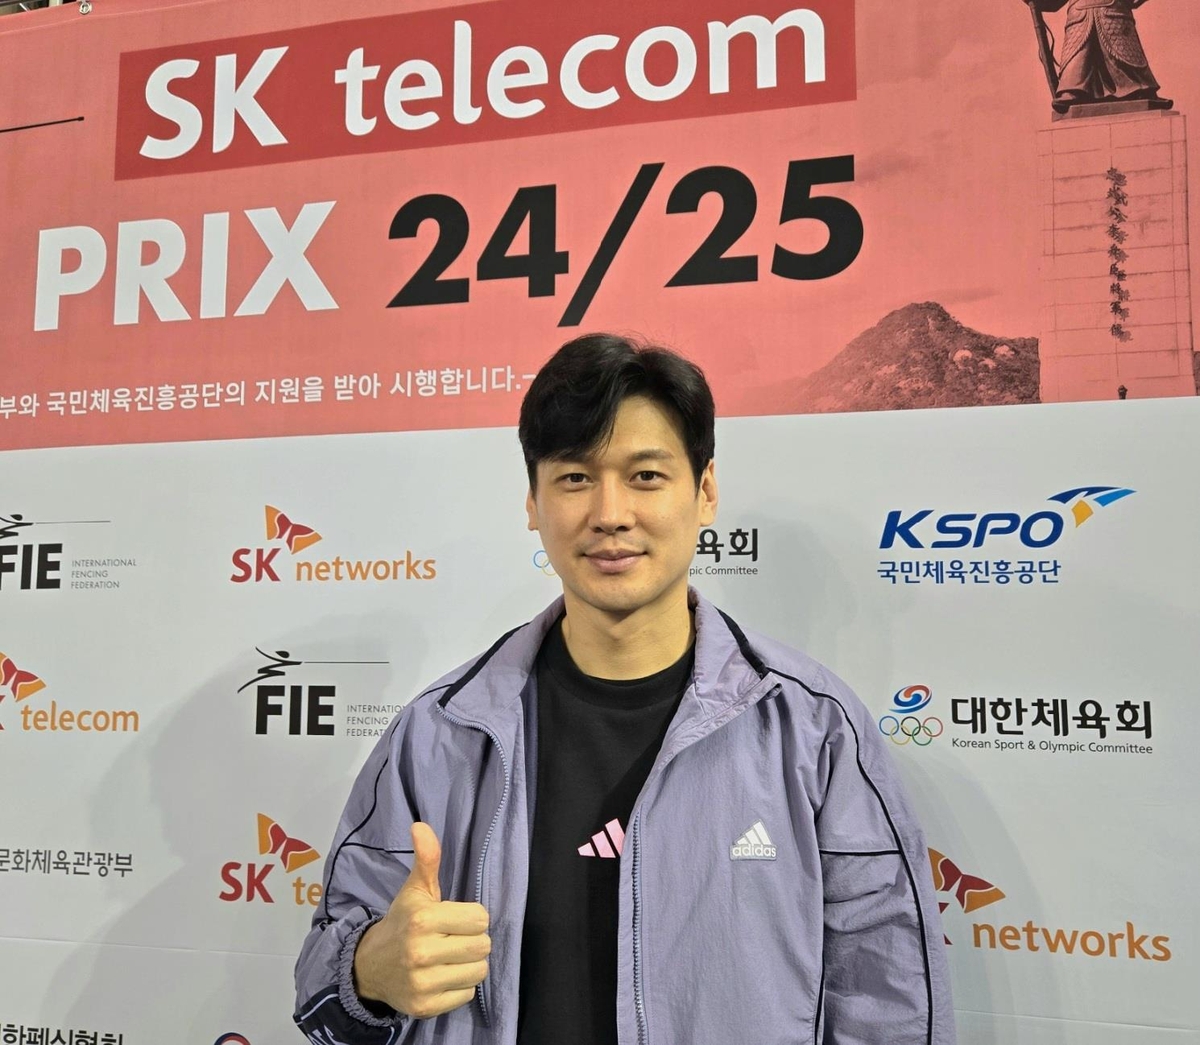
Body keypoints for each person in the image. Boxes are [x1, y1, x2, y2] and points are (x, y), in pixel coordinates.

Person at [293, 334, 955, 1044]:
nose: (610, 513)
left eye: (645, 475)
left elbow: (892, 1003)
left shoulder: (814, 729)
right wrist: (369, 973)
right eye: (575, 477)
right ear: (532, 501)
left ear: (705, 492)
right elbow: (319, 998)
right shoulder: (441, 732)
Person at [1033, 0, 1171, 113]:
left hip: (1114, 11)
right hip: (1079, 14)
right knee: (1075, 65)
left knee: (1126, 60)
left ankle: (1139, 90)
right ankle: (1072, 90)